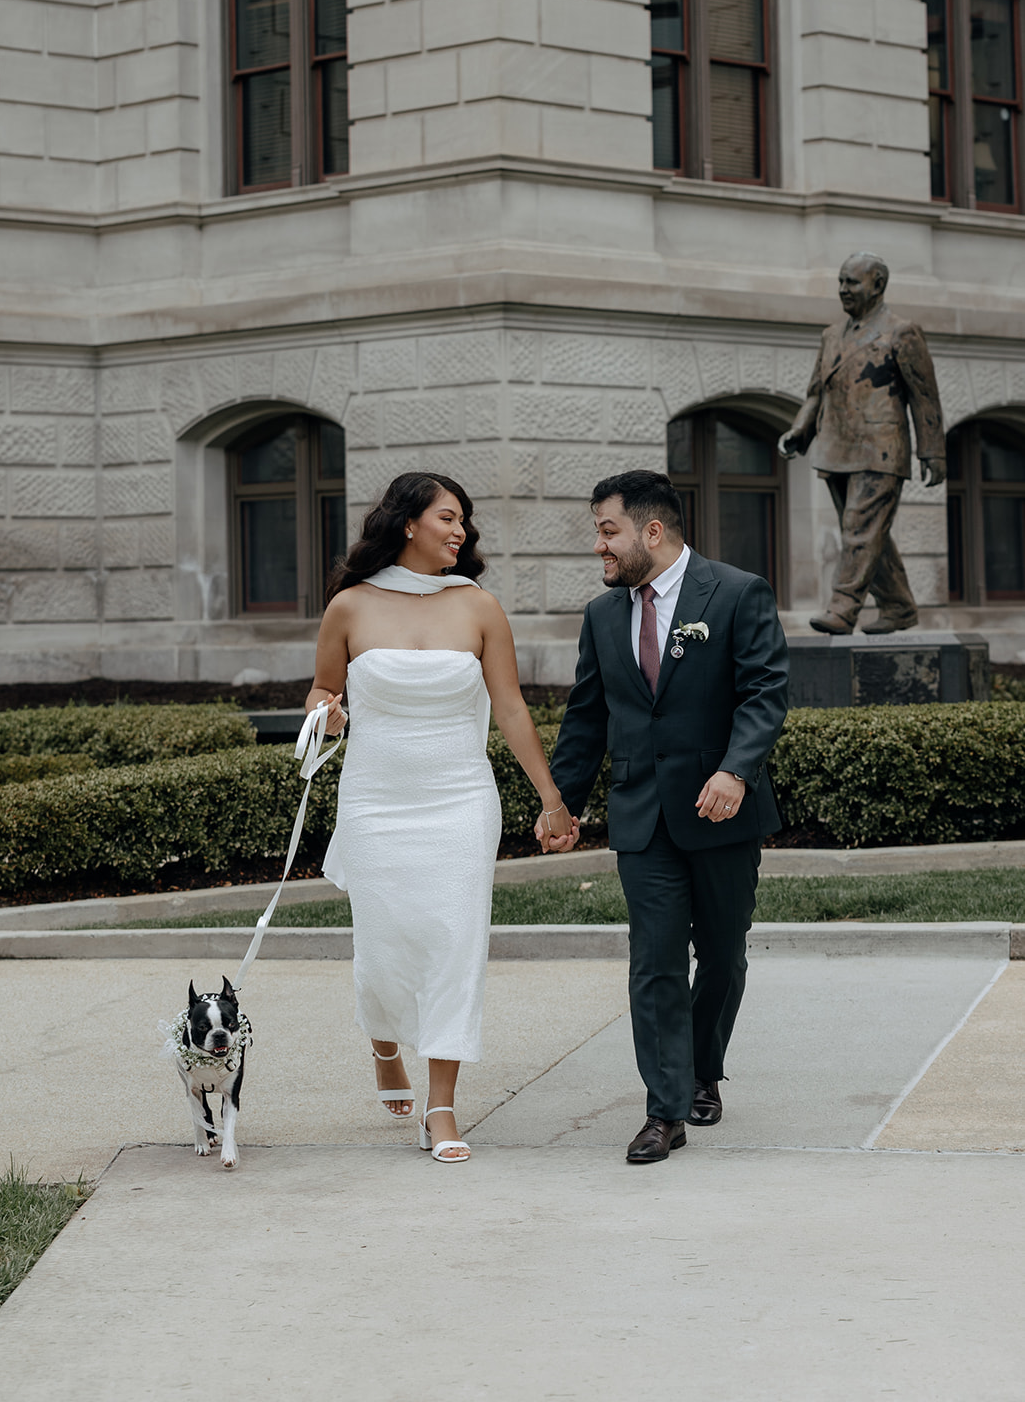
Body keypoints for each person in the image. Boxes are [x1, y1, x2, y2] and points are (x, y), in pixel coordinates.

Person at [305, 471, 578, 1164]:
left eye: (464, 521)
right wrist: (325, 715)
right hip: (375, 799)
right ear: (407, 523)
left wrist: (548, 796)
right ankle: (384, 1043)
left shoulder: (478, 606)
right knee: (382, 947)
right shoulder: (348, 606)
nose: (460, 532)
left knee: (455, 944)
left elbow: (511, 708)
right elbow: (321, 690)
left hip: (458, 798)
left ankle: (442, 1106)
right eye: (448, 518)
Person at [543, 469, 789, 1164]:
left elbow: (765, 693)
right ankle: (665, 1109)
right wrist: (561, 803)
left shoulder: (737, 592)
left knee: (719, 956)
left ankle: (704, 1069)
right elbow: (587, 718)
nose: (599, 546)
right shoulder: (601, 615)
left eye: (607, 530)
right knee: (652, 962)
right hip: (640, 816)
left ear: (652, 531)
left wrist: (734, 769)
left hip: (721, 813)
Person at [778, 251, 946, 635]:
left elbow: (924, 395)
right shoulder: (830, 335)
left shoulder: (902, 332)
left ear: (878, 284)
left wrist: (932, 450)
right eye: (840, 282)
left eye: (851, 282)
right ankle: (899, 607)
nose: (843, 290)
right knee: (872, 535)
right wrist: (799, 431)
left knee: (859, 529)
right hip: (836, 448)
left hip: (882, 449)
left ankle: (843, 608)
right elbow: (815, 394)